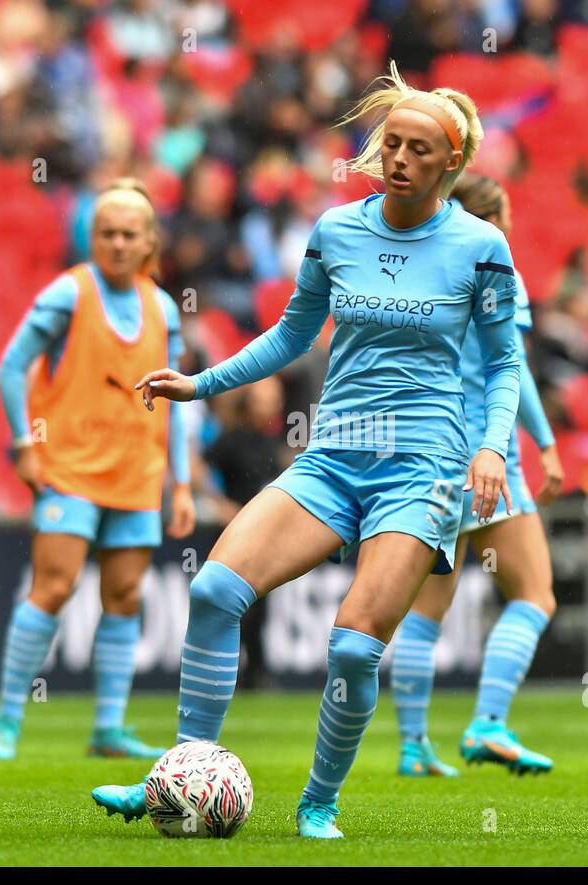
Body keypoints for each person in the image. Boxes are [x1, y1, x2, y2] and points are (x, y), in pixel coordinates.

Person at [91, 62, 523, 839]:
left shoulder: (480, 247)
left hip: (422, 471)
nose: (397, 158)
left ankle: (319, 802)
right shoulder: (336, 230)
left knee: (354, 651)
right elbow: (293, 334)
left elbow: (503, 363)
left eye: (419, 149)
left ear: (452, 163)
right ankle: (185, 773)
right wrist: (203, 382)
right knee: (215, 592)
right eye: (390, 142)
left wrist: (492, 448)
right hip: (333, 459)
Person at [0, 178, 196, 762]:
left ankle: (108, 728)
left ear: (150, 241)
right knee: (54, 586)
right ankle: (6, 722)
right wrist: (24, 443)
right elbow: (10, 366)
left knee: (124, 596)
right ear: (91, 238)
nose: (118, 244)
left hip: (135, 474)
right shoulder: (69, 295)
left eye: (130, 234)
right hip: (69, 469)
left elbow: (174, 403)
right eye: (106, 234)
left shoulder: (161, 308)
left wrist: (180, 482)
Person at [386, 172, 564, 778]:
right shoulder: (495, 265)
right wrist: (546, 443)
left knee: (426, 611)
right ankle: (488, 723)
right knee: (534, 593)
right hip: (491, 455)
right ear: (497, 216)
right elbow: (511, 369)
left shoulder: (425, 263)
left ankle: (413, 747)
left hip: (429, 453)